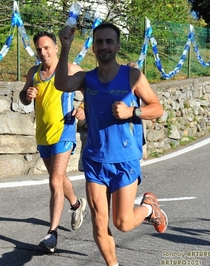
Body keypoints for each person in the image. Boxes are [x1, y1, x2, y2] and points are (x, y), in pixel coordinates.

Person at [54, 23, 167, 265]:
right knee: (98, 222)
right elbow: (61, 84)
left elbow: (157, 108)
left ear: (117, 46)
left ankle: (149, 208)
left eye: (109, 41)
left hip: (125, 159)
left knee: (123, 223)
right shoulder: (87, 79)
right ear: (93, 47)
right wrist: (64, 48)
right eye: (99, 42)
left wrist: (132, 111)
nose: (104, 46)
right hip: (95, 160)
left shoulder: (132, 76)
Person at [19, 31, 87, 253]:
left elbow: (93, 90)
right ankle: (77, 204)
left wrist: (82, 109)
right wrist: (27, 95)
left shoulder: (69, 69)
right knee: (57, 178)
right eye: (39, 49)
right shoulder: (34, 72)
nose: (43, 52)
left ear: (56, 48)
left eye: (47, 47)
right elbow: (22, 97)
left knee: (54, 182)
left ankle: (52, 233)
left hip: (64, 131)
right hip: (43, 134)